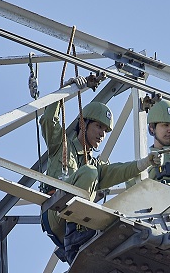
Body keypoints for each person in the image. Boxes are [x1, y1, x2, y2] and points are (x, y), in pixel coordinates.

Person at [40, 75, 162, 263]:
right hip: (55, 213)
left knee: (106, 198)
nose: (102, 134)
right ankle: (75, 237)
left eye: (105, 131)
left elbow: (118, 171)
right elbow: (49, 119)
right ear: (83, 124)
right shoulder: (61, 145)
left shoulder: (96, 165)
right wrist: (66, 90)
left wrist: (146, 162)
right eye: (98, 127)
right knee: (89, 172)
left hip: (72, 221)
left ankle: (79, 238)